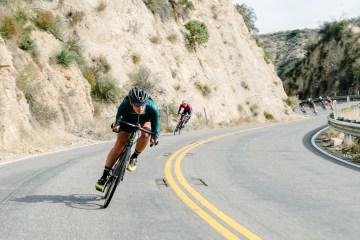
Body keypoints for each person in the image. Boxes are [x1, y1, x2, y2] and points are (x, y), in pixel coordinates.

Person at [95, 86, 160, 191]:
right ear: (131, 102)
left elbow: (156, 126)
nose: (141, 108)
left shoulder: (152, 107)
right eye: (137, 105)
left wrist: (155, 137)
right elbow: (118, 121)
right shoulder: (124, 105)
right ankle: (104, 177)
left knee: (146, 135)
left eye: (143, 104)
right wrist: (116, 126)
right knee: (120, 143)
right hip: (128, 120)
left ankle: (134, 157)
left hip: (145, 121)